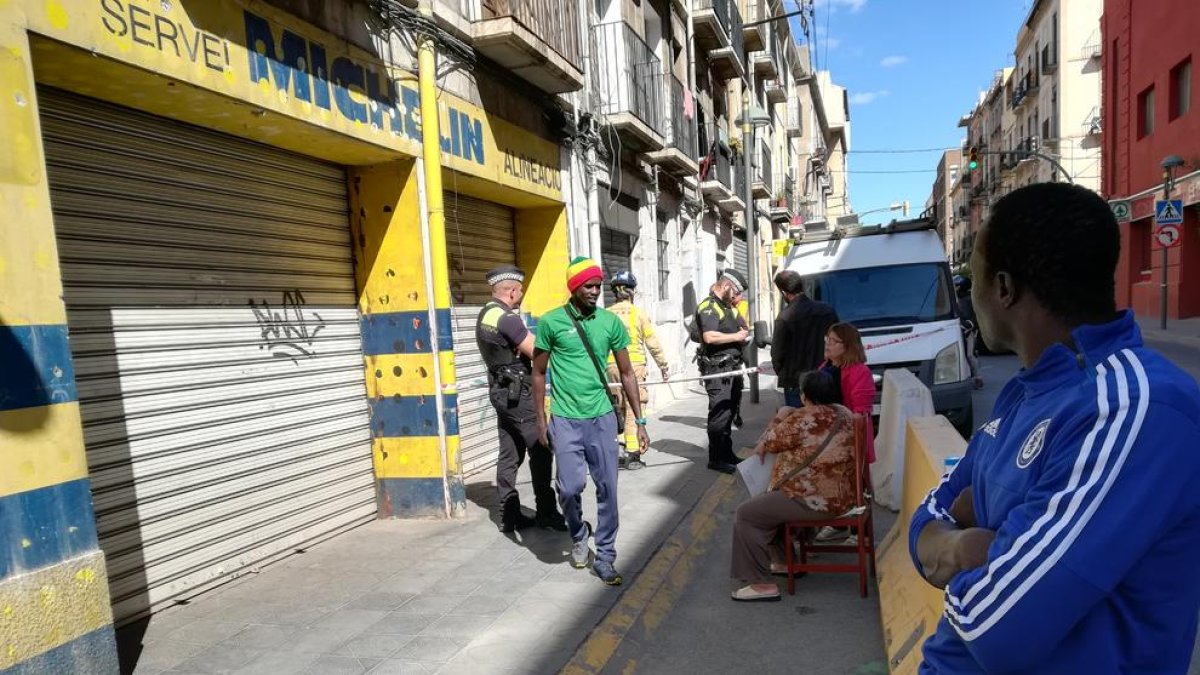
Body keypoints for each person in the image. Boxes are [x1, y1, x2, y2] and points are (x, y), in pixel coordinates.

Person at [909, 183, 1200, 674]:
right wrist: (967, 546)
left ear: (1003, 288)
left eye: (974, 278)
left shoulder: (1134, 406)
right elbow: (930, 512)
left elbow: (997, 626)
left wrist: (965, 545)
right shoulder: (1023, 394)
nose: (970, 296)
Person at [532, 257, 650, 586]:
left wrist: (640, 420)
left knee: (608, 488)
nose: (596, 291)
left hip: (601, 418)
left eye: (598, 286)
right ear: (574, 287)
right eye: (589, 286)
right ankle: (578, 533)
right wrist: (541, 420)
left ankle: (606, 555)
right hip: (565, 419)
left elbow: (627, 373)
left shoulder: (610, 322)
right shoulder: (551, 322)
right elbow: (538, 373)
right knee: (569, 488)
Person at [729, 370, 857, 602]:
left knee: (747, 514)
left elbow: (769, 441)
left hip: (810, 498)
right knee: (769, 504)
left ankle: (761, 584)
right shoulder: (844, 413)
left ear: (804, 395)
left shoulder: (802, 418)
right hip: (843, 497)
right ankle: (784, 562)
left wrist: (782, 415)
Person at [475, 266, 566, 533]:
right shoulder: (507, 318)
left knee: (510, 452)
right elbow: (536, 350)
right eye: (520, 290)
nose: (521, 294)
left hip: (501, 392)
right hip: (518, 395)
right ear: (512, 291)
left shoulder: (485, 314)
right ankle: (547, 512)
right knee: (541, 448)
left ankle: (509, 514)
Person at [812, 322, 877, 545]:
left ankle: (860, 534)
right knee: (833, 484)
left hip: (852, 437)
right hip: (829, 438)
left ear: (847, 345)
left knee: (857, 485)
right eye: (827, 340)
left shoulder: (860, 372)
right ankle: (837, 523)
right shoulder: (826, 367)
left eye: (834, 341)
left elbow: (860, 412)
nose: (828, 345)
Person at [604, 271, 670, 471]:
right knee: (634, 408)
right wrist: (663, 365)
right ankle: (632, 455)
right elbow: (652, 342)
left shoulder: (605, 314)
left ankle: (619, 449)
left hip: (610, 366)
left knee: (618, 408)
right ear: (632, 291)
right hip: (634, 367)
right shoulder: (638, 313)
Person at [697, 269, 751, 474]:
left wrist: (742, 335)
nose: (738, 296)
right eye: (736, 292)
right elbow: (709, 337)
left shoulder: (728, 307)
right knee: (719, 414)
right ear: (727, 286)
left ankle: (727, 454)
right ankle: (716, 458)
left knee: (729, 412)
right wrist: (736, 337)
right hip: (718, 369)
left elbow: (743, 328)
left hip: (733, 368)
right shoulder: (709, 307)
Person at [771, 270, 840, 408]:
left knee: (800, 419)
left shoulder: (785, 317)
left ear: (783, 292)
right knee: (827, 418)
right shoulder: (827, 311)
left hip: (796, 383)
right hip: (825, 379)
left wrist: (786, 374)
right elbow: (839, 340)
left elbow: (777, 354)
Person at [954, 274, 985, 390]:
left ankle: (978, 377)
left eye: (957, 286)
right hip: (958, 329)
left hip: (969, 331)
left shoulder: (971, 299)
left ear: (962, 286)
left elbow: (977, 315)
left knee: (970, 355)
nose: (955, 288)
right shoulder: (955, 300)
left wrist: (970, 325)